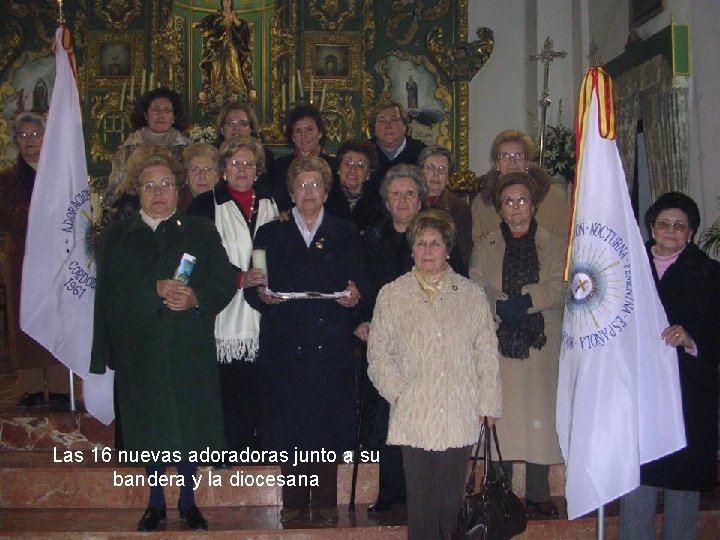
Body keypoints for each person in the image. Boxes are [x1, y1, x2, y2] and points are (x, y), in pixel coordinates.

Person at [91, 153, 235, 532]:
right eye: (149, 186)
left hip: (188, 344)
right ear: (136, 191)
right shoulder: (118, 236)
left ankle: (188, 501)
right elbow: (109, 294)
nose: (158, 193)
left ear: (178, 189)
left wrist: (196, 298)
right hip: (140, 347)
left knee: (189, 424)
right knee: (150, 426)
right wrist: (150, 290)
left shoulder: (200, 230)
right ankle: (155, 503)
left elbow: (223, 280)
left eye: (166, 185)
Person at [244, 156, 368, 524]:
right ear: (291, 192)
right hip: (285, 346)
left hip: (329, 344)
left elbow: (361, 283)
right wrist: (261, 296)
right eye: (301, 185)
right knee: (292, 425)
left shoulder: (346, 233)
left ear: (327, 191)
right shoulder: (268, 233)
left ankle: (327, 503)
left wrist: (354, 296)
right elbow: (255, 286)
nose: (309, 191)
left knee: (327, 425)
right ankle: (294, 503)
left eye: (316, 185)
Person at [367, 208, 502, 539]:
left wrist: (489, 403)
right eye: (421, 243)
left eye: (436, 243)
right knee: (422, 505)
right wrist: (400, 393)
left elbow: (486, 352)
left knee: (451, 503)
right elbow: (379, 355)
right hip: (414, 412)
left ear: (447, 249)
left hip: (459, 409)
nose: (427, 250)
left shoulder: (470, 294)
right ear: (411, 248)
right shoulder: (393, 294)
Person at [357, 164, 467, 516]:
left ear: (421, 199)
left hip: (433, 346)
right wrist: (360, 321)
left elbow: (460, 285)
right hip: (387, 343)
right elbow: (359, 287)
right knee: (391, 414)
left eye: (409, 194)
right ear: (386, 201)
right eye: (395, 194)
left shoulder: (439, 237)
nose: (402, 200)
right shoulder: (370, 238)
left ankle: (426, 494)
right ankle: (391, 490)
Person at [619, 192, 720, 540]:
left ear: (691, 233)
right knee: (638, 480)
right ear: (651, 227)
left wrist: (691, 340)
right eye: (664, 224)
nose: (671, 231)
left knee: (682, 486)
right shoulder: (626, 268)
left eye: (680, 226)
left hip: (686, 396)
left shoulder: (710, 274)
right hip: (638, 394)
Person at [469, 171, 565, 518]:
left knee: (540, 417)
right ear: (500, 208)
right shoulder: (486, 244)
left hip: (541, 342)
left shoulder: (556, 244)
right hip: (499, 339)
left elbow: (562, 286)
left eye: (521, 200)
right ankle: (501, 492)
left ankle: (539, 492)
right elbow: (475, 284)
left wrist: (526, 301)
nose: (515, 208)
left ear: (534, 203)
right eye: (508, 202)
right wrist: (498, 304)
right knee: (502, 418)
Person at [187, 136, 278, 452]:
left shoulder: (274, 203)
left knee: (265, 393)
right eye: (235, 163)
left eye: (249, 163)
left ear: (258, 168)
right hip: (224, 317)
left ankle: (261, 456)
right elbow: (197, 260)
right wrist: (239, 277)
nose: (242, 169)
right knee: (231, 394)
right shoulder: (204, 205)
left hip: (268, 315)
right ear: (223, 168)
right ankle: (230, 459)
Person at [0, 112, 70, 408]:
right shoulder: (6, 178)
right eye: (23, 136)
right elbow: (9, 216)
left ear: (46, 136)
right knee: (26, 319)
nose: (30, 141)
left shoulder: (63, 171)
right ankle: (29, 387)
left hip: (58, 257)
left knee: (58, 318)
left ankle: (57, 385)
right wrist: (43, 209)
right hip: (23, 260)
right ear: (16, 142)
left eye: (35, 134)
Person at [471, 129, 569, 241]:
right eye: (505, 156)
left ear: (527, 162)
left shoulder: (553, 197)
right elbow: (478, 246)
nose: (512, 161)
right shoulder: (481, 204)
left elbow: (565, 241)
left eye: (518, 155)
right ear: (497, 164)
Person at [107, 87, 189, 203]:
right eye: (156, 110)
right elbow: (115, 187)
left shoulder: (186, 149)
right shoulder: (128, 148)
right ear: (146, 114)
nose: (161, 115)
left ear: (174, 117)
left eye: (167, 111)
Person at [268, 104, 336, 213]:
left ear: (320, 133)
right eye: (298, 131)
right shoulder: (278, 166)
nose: (304, 136)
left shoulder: (334, 166)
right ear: (292, 137)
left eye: (309, 130)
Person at [418, 144, 473, 268]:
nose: (436, 174)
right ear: (421, 173)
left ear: (448, 178)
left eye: (442, 169)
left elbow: (464, 251)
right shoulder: (412, 202)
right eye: (430, 168)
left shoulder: (460, 208)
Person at [196, 0, 256, 102]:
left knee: (234, 66)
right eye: (224, 0)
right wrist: (223, 22)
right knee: (218, 68)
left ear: (231, 3)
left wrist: (234, 21)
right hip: (218, 47)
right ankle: (218, 90)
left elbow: (242, 29)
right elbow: (213, 28)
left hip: (232, 46)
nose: (226, 2)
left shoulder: (235, 15)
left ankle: (236, 89)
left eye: (228, 0)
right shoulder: (217, 16)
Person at [324, 139, 384, 233]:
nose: (353, 170)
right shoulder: (325, 198)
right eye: (348, 163)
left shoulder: (378, 203)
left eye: (361, 165)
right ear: (339, 169)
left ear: (368, 174)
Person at [368, 100, 426, 190]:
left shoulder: (422, 153)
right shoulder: (364, 152)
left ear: (405, 125)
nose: (388, 126)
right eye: (382, 121)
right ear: (374, 127)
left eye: (394, 120)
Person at [214, 101, 274, 182]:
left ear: (251, 129)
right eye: (230, 123)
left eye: (242, 123)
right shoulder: (212, 154)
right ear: (221, 129)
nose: (236, 128)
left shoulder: (266, 156)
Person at [179, 143, 220, 209]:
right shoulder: (176, 202)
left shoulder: (227, 202)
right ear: (186, 176)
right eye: (195, 170)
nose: (201, 176)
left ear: (217, 175)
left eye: (207, 170)